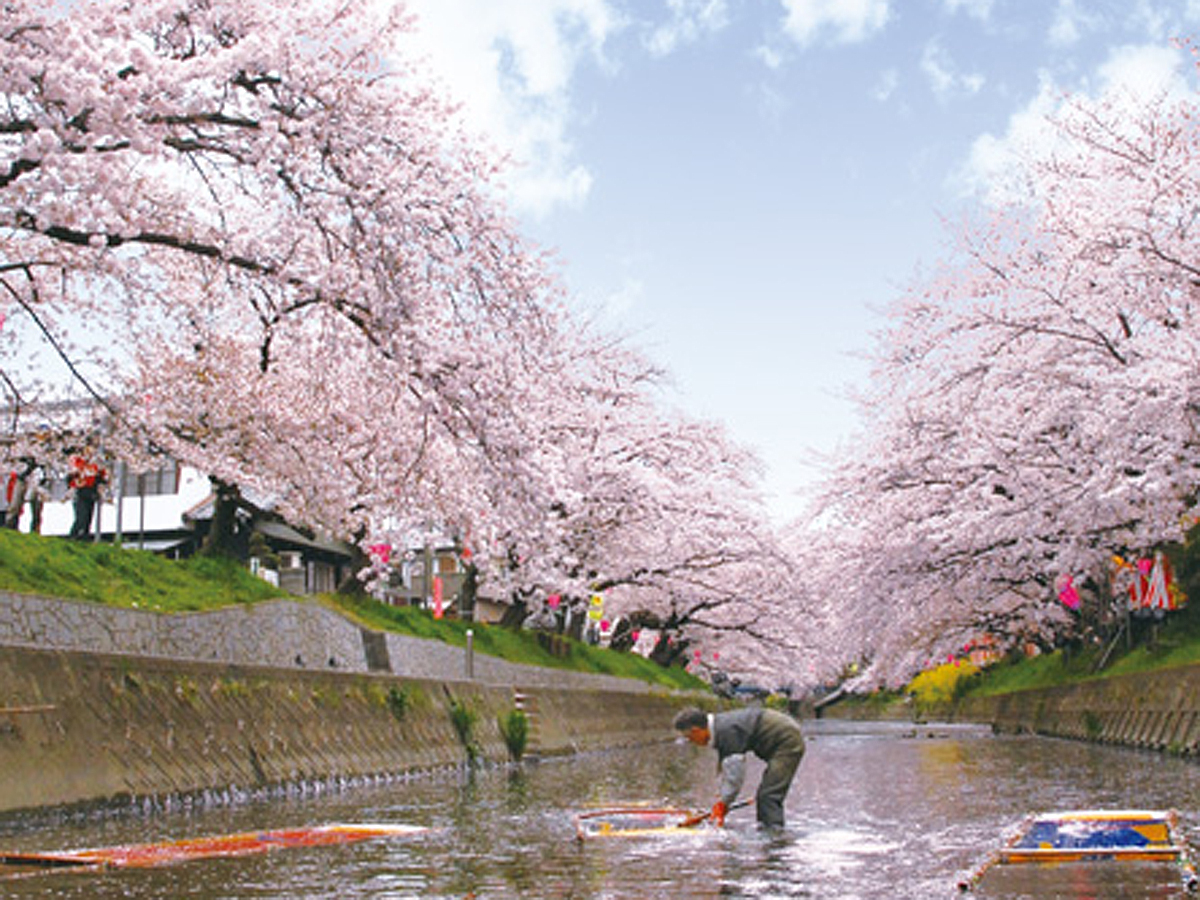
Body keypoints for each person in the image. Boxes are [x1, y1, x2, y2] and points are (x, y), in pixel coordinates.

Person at [673, 705, 805, 829]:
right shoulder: (720, 727)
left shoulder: (727, 732)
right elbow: (726, 769)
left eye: (689, 738)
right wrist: (722, 800)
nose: (691, 742)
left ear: (696, 731)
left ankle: (773, 836)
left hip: (787, 741)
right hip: (774, 737)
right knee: (767, 793)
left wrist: (723, 803)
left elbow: (735, 776)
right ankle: (769, 830)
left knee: (768, 796)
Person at [67, 446, 107, 540]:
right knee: (81, 517)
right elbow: (71, 475)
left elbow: (102, 477)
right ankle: (73, 537)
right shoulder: (78, 463)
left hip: (91, 492)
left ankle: (85, 538)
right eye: (87, 452)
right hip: (80, 492)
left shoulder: (95, 465)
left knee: (88, 518)